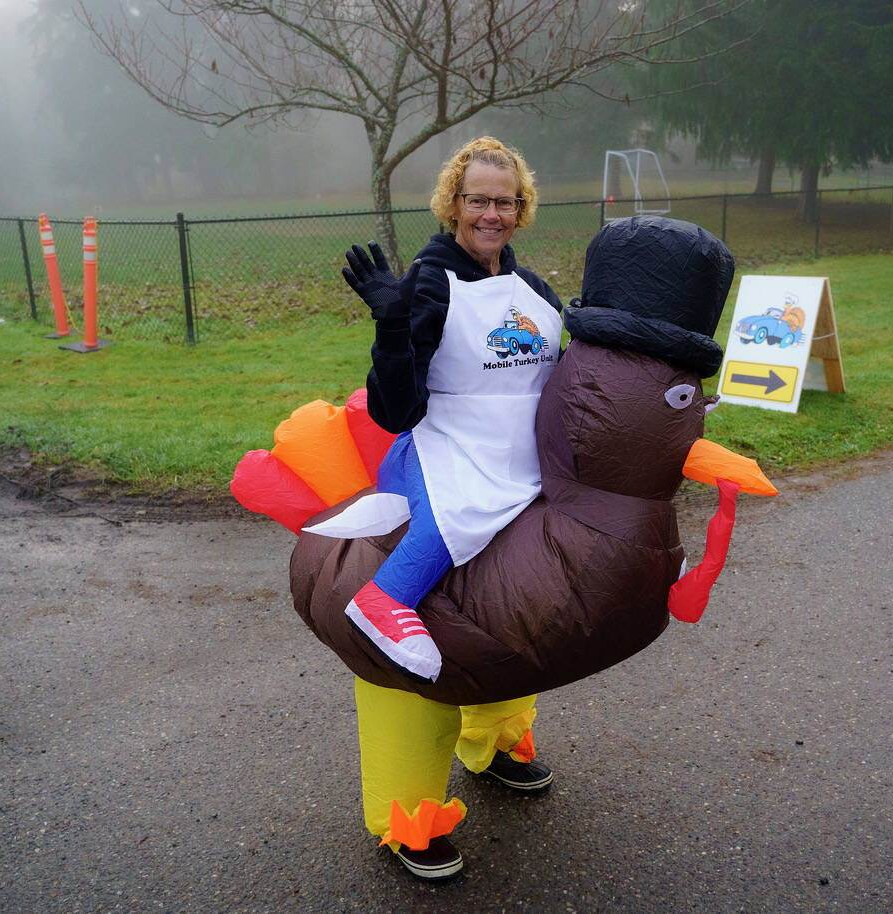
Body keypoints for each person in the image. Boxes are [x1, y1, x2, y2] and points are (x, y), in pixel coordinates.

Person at [338, 136, 563, 879]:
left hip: (521, 462)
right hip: (449, 453)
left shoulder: (532, 288)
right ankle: (384, 600)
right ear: (453, 205)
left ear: (521, 207)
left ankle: (493, 740)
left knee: (534, 591)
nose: (491, 213)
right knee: (452, 528)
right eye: (477, 200)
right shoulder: (431, 283)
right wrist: (391, 326)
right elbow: (396, 410)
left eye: (505, 201)